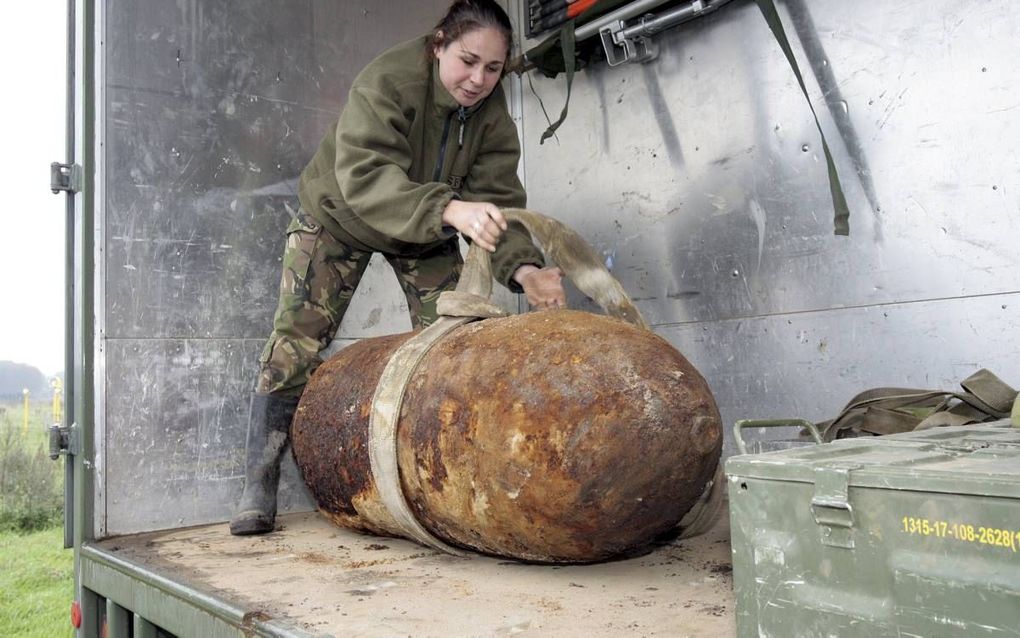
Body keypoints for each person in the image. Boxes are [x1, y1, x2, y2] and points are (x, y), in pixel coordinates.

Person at [230, 0, 567, 535]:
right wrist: (449, 210)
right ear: (438, 45)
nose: (478, 80)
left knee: (457, 347)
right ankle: (258, 480)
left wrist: (525, 270)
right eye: (467, 60)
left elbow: (497, 200)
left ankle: (449, 480)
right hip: (339, 215)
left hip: (425, 231)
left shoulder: (491, 115)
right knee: (296, 342)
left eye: (494, 68)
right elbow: (365, 175)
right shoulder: (388, 80)